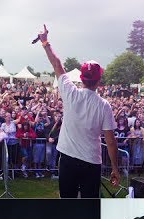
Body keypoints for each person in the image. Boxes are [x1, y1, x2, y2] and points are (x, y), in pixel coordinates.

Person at [34, 25, 121, 197]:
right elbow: (110, 142)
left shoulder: (70, 93)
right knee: (90, 206)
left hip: (67, 158)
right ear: (99, 81)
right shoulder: (104, 105)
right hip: (91, 161)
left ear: (81, 78)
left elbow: (57, 64)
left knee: (68, 204)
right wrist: (115, 169)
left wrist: (45, 42)